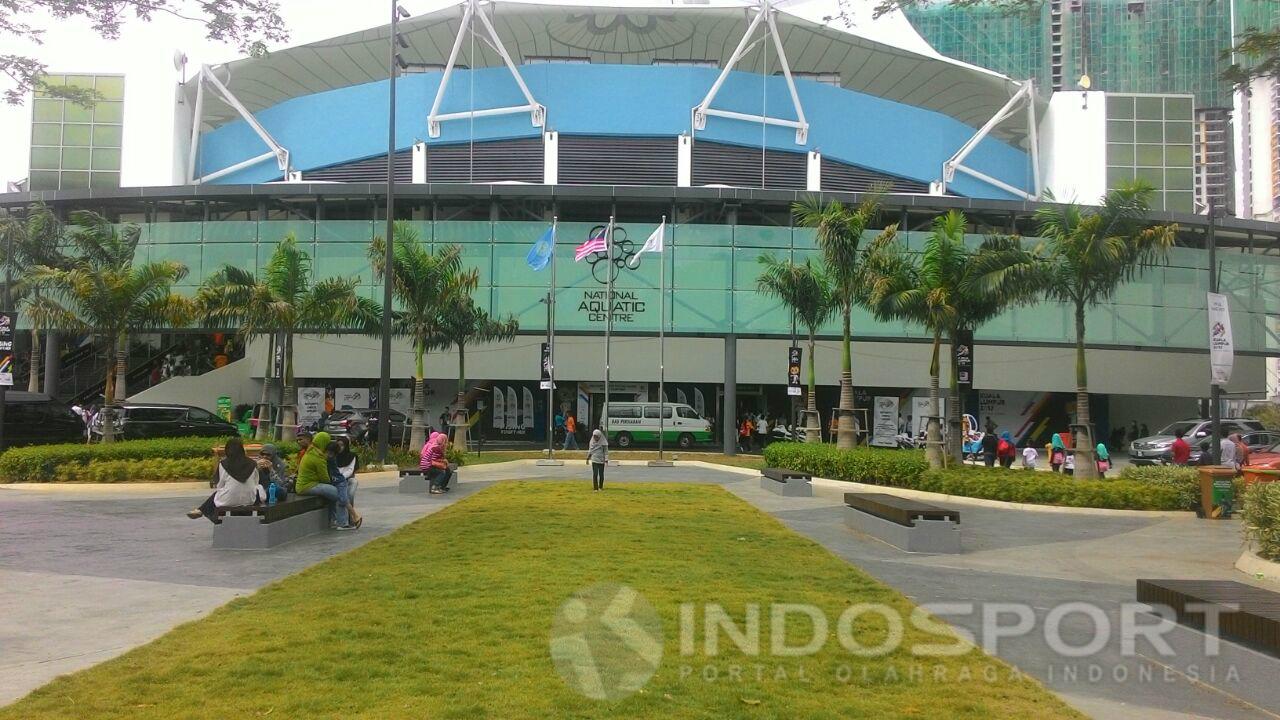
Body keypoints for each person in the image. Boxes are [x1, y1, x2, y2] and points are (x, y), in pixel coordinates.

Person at [187, 437, 265, 522]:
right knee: (255, 490)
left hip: (227, 500)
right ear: (242, 449)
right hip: (249, 500)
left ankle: (201, 510)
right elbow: (256, 482)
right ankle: (200, 510)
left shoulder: (223, 464)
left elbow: (220, 484)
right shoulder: (253, 463)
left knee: (218, 494)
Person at [296, 432, 355, 530]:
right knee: (339, 494)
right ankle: (342, 523)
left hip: (304, 485)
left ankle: (334, 520)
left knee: (334, 493)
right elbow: (325, 479)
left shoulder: (312, 452)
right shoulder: (319, 458)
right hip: (308, 486)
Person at [330, 436, 362, 527]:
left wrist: (340, 478)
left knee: (350, 494)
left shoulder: (352, 456)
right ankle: (340, 520)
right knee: (340, 496)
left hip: (347, 479)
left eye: (342, 445)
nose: (340, 447)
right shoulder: (332, 456)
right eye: (338, 445)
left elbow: (350, 470)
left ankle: (350, 519)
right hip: (335, 480)